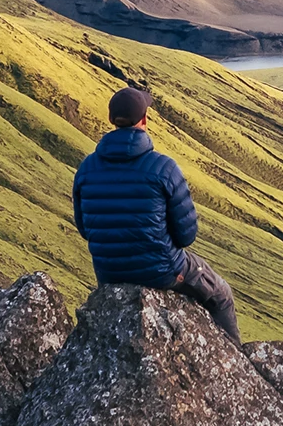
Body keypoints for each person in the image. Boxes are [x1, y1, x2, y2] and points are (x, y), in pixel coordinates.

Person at [71, 85, 240, 342]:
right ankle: (237, 365)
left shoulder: (86, 168)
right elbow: (186, 236)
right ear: (145, 120)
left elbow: (85, 229)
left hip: (108, 273)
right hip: (162, 271)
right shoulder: (163, 167)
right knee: (221, 295)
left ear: (111, 121)